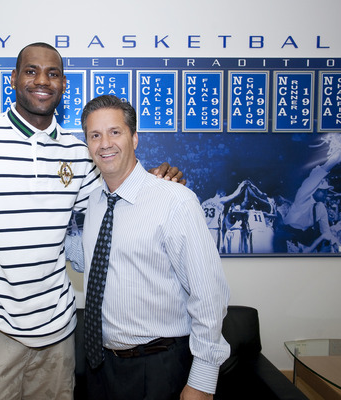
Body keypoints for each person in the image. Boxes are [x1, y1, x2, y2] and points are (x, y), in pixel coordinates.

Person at [0, 43, 184, 400]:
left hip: (58, 338)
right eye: (31, 71)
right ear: (13, 79)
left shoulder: (78, 153)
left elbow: (119, 194)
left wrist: (156, 179)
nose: (42, 80)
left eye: (52, 73)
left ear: (62, 85)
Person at [67, 95, 230, 400]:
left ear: (135, 138)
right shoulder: (93, 204)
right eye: (95, 135)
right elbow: (88, 261)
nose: (105, 143)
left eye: (115, 132)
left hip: (159, 367)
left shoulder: (175, 201)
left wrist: (203, 381)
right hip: (100, 367)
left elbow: (209, 296)